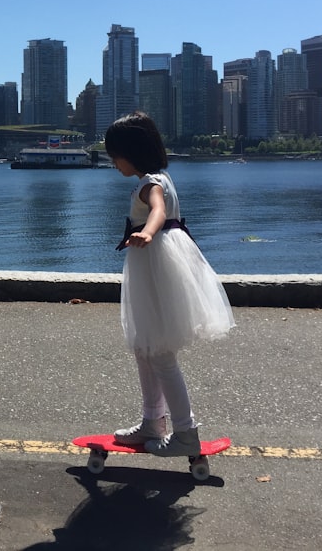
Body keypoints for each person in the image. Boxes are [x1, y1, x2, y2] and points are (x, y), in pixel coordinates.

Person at [104, 112, 235, 457]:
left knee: (159, 353)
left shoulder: (150, 184)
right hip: (158, 265)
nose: (112, 162)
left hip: (155, 267)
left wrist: (146, 231)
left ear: (130, 151)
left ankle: (186, 432)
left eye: (114, 155)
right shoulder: (161, 177)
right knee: (146, 348)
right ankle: (152, 421)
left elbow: (158, 210)